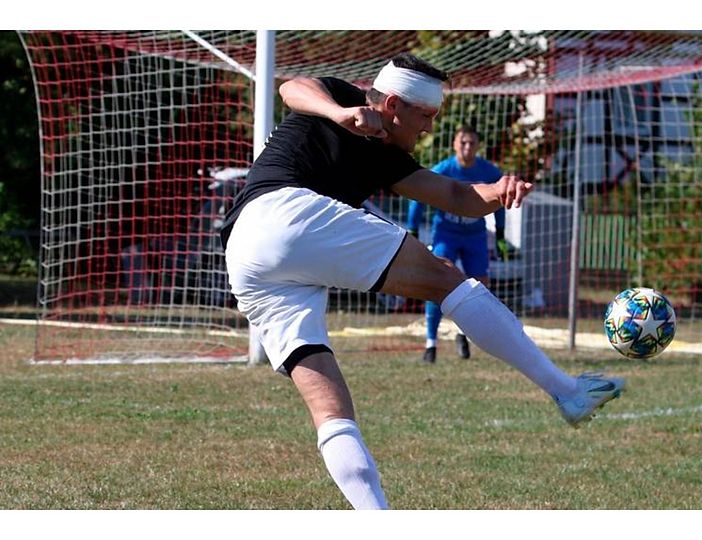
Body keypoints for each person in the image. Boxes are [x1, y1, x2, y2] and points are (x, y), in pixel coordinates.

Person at [219, 53, 624, 509]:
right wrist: (341, 113)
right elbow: (291, 87)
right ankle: (567, 391)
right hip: (285, 213)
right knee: (445, 279)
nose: (429, 128)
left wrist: (502, 191)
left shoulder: (388, 154)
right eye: (426, 116)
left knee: (331, 410)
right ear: (393, 104)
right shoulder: (341, 95)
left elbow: (455, 195)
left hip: (247, 255)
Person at [406, 125, 508, 363]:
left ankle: (463, 334)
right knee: (436, 282)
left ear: (478, 146)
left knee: (478, 286)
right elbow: (417, 198)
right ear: (454, 144)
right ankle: (431, 344)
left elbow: (499, 200)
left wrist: (501, 234)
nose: (467, 147)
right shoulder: (443, 169)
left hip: (474, 236)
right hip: (446, 234)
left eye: (472, 143)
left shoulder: (489, 171)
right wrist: (413, 228)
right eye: (463, 142)